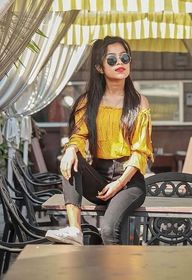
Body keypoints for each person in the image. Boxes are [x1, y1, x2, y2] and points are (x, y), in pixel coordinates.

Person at [45, 36, 153, 245]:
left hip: (129, 181)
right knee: (71, 158)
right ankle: (74, 230)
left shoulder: (139, 102)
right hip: (98, 177)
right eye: (111, 60)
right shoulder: (88, 102)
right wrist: (70, 149)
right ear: (99, 67)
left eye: (124, 57)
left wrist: (119, 183)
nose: (120, 63)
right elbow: (78, 135)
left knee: (108, 230)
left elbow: (141, 152)